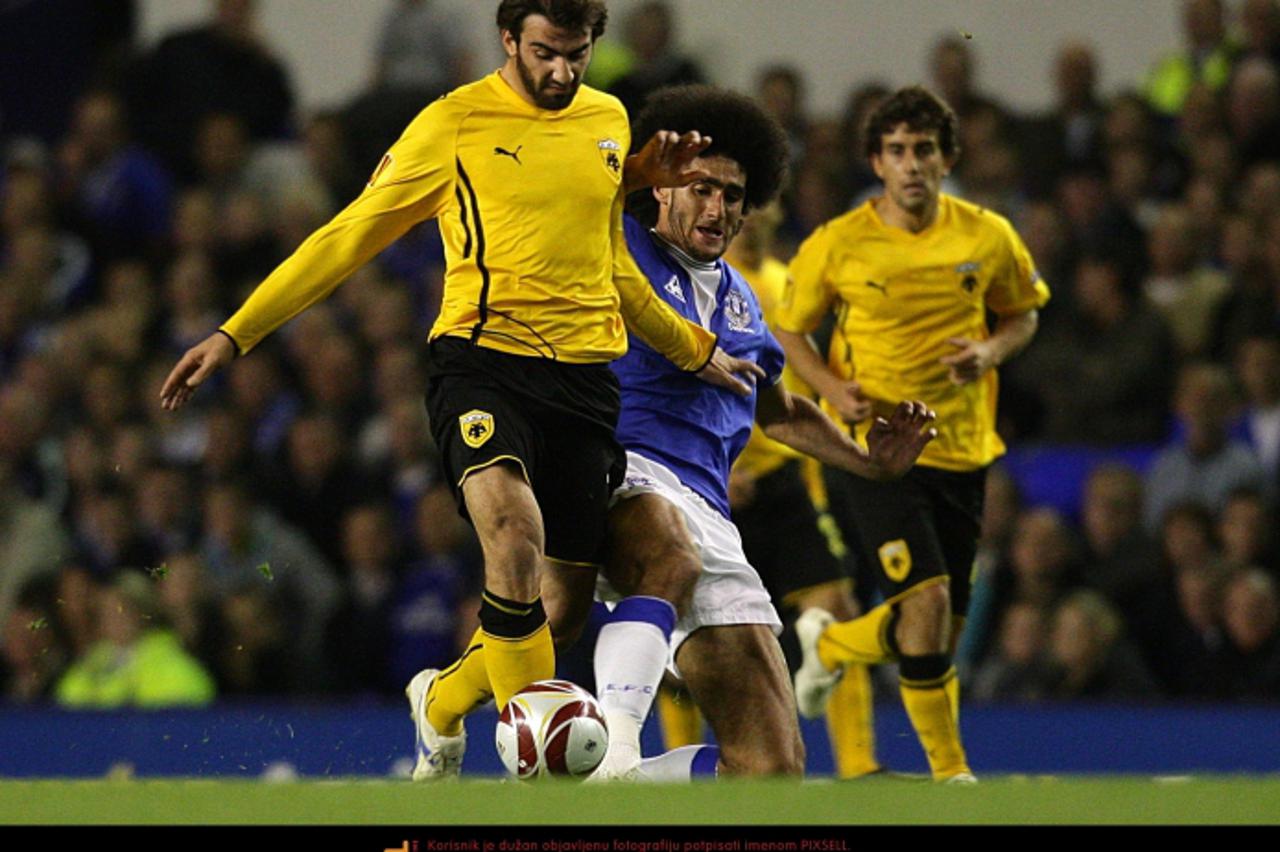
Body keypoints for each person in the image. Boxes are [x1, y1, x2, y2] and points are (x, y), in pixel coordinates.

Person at [159, 0, 761, 779]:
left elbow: (612, 267)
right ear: (508, 38)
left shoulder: (608, 120)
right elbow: (349, 235)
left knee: (559, 611)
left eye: (576, 54)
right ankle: (543, 786)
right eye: (544, 51)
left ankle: (441, 701)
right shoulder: (452, 124)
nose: (560, 70)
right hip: (483, 365)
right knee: (512, 537)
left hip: (583, 386)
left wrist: (691, 347)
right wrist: (235, 332)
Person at [589, 84, 936, 780]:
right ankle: (615, 742)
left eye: (733, 194)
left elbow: (777, 410)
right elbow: (572, 202)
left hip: (711, 511)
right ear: (660, 190)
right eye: (700, 187)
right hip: (621, 471)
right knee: (671, 559)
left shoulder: (744, 298)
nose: (717, 208)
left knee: (770, 768)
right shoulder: (614, 245)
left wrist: (868, 462)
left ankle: (618, 783)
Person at [773, 85, 1050, 783]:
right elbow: (789, 328)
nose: (912, 164)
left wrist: (989, 352)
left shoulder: (987, 234)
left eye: (924, 149)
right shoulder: (839, 243)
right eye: (896, 151)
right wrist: (832, 390)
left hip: (962, 450)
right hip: (875, 455)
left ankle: (835, 649)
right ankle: (952, 776)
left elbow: (1023, 313)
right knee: (922, 607)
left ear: (946, 157)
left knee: (939, 634)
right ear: (876, 161)